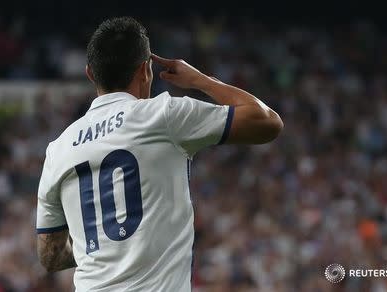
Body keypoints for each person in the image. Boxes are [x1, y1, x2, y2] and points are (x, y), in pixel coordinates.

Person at [35, 17, 283, 291]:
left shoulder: (58, 149)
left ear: (90, 74)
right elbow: (267, 122)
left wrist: (103, 245)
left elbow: (51, 255)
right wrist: (201, 81)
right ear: (145, 70)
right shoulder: (162, 115)